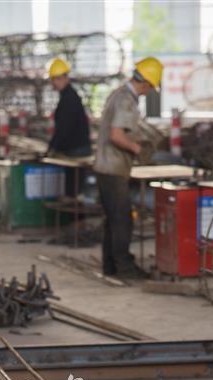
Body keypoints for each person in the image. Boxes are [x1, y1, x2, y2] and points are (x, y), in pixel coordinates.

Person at [94, 57, 163, 277]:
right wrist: (135, 148)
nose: (149, 92)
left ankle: (110, 266)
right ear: (147, 84)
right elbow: (116, 135)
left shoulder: (118, 94)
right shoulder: (126, 100)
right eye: (151, 88)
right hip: (113, 168)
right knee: (123, 219)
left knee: (113, 219)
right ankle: (125, 267)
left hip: (106, 167)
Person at [47, 57, 91, 196]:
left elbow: (64, 129)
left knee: (74, 191)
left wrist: (53, 148)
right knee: (73, 189)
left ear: (66, 78)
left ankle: (76, 216)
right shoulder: (67, 97)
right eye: (54, 79)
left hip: (77, 151)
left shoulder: (69, 99)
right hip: (74, 149)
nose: (55, 82)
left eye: (58, 79)